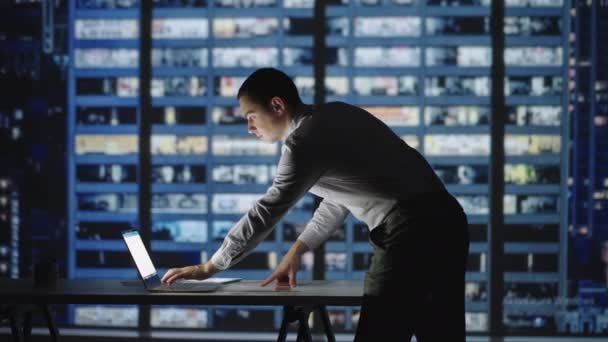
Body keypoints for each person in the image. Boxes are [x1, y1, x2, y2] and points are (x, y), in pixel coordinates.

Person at [161, 68, 470, 341]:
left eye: (251, 116)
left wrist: (210, 266)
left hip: (410, 230)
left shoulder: (303, 142)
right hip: (447, 219)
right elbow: (339, 201)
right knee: (440, 332)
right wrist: (298, 249)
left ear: (277, 105)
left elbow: (269, 208)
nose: (249, 128)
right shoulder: (336, 114)